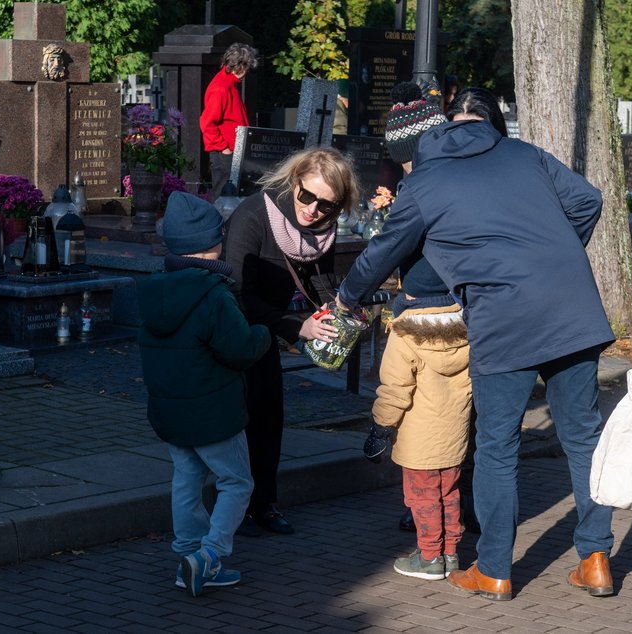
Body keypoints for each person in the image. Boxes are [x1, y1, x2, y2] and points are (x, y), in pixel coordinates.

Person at [336, 107, 616, 602]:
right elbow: (588, 200)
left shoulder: (424, 183)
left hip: (505, 319)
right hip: (572, 308)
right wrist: (554, 256)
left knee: (497, 446)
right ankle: (595, 559)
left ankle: (494, 570)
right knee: (584, 439)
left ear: (415, 151)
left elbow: (380, 253)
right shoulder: (525, 153)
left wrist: (345, 298)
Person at [137, 191, 271, 597]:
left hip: (170, 412)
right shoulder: (214, 294)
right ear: (217, 241)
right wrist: (264, 333)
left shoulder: (154, 292)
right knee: (237, 482)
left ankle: (188, 558)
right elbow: (241, 349)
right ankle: (209, 555)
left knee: (186, 479)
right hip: (214, 411)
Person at [362, 81, 471, 581]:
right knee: (450, 490)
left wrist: (381, 426)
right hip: (453, 436)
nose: (405, 170)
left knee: (422, 493)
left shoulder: (406, 333)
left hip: (419, 440)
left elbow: (393, 388)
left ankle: (429, 557)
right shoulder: (465, 332)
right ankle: (451, 552)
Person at [222, 147, 360, 536]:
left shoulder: (322, 230)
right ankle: (230, 506)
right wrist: (296, 327)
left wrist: (340, 309)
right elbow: (238, 293)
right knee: (238, 420)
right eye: (307, 196)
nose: (314, 210)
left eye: (327, 205)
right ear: (294, 182)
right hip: (236, 329)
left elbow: (320, 279)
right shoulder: (255, 215)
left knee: (269, 417)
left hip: (267, 331)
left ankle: (263, 503)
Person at [200, 42, 259, 199]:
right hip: (225, 153)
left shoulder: (228, 83)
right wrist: (224, 148)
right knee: (224, 199)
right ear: (240, 65)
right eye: (247, 67)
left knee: (233, 198)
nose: (247, 72)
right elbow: (207, 122)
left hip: (233, 151)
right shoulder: (221, 87)